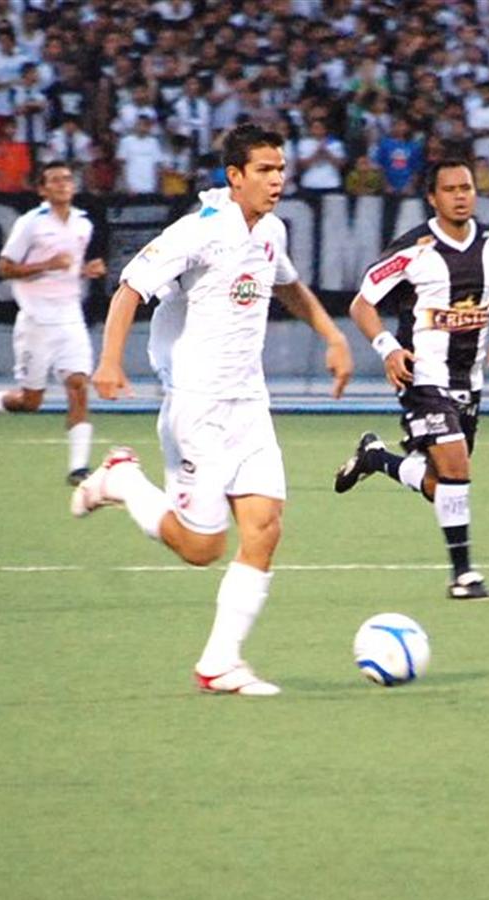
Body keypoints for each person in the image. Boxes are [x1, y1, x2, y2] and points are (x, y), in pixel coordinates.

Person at [73, 124, 353, 696]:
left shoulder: (271, 230)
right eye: (265, 170)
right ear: (235, 176)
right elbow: (129, 288)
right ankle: (122, 481)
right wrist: (109, 361)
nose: (277, 180)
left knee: (265, 527)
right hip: (196, 407)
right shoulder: (199, 230)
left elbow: (288, 285)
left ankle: (220, 663)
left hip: (249, 404)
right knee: (203, 548)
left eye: (281, 169)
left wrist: (333, 335)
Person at [333, 159, 489, 601]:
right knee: (457, 467)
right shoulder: (413, 249)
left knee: (442, 485)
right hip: (422, 374)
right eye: (450, 189)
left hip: (468, 380)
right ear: (433, 198)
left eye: (466, 187)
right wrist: (388, 348)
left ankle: (376, 458)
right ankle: (463, 576)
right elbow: (362, 304)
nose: (460, 196)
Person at [0, 160, 108, 485]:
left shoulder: (83, 224)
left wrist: (85, 271)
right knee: (31, 401)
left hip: (70, 316)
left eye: (67, 179)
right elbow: (4, 268)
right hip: (36, 320)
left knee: (78, 384)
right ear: (42, 189)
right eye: (54, 180)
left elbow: (67, 269)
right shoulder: (31, 223)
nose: (63, 184)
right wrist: (47, 264)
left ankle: (78, 469)